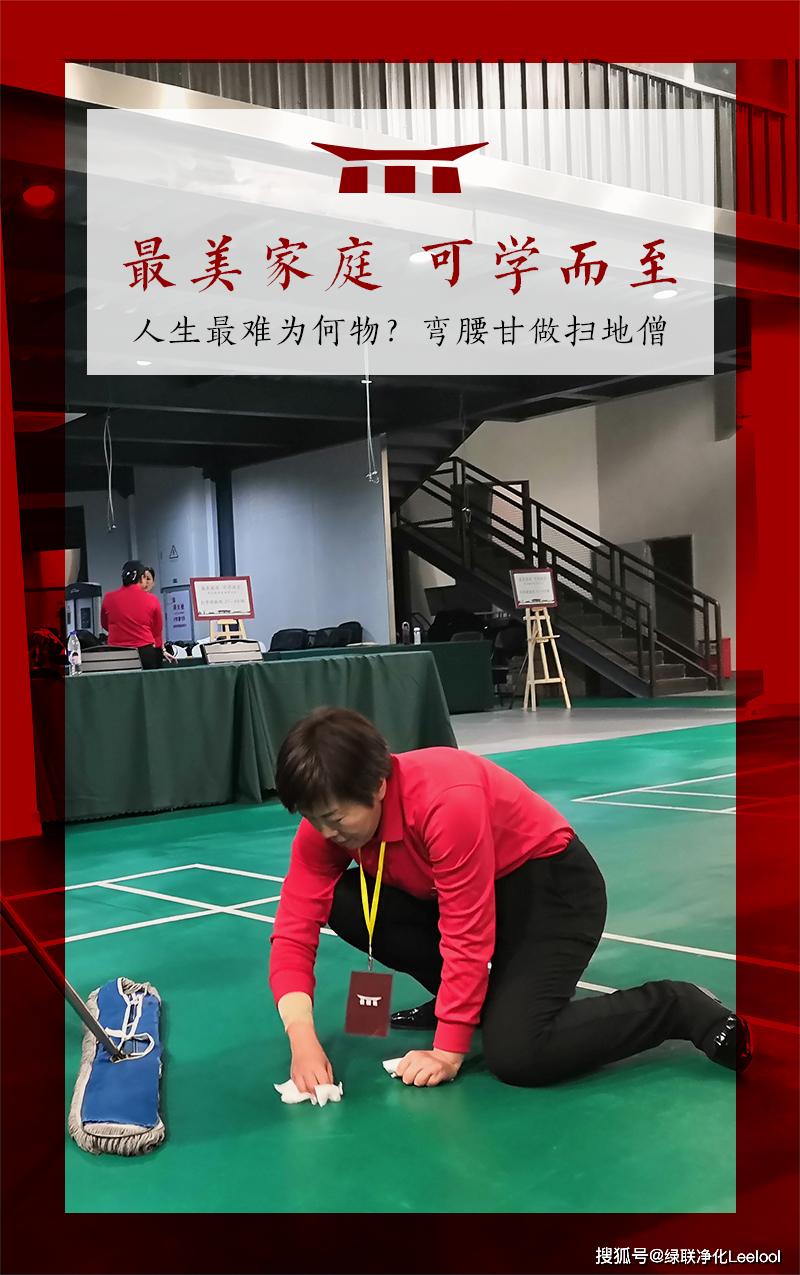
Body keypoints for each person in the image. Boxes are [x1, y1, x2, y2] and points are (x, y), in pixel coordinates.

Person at [270, 707, 751, 1095]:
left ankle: (676, 1005)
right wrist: (302, 1039)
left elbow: (466, 930)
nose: (325, 833)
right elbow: (293, 927)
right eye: (313, 819)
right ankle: (477, 1003)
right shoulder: (326, 828)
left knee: (520, 1054)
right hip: (470, 895)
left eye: (335, 818)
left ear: (377, 785)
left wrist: (447, 1050)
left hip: (551, 891)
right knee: (345, 901)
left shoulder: (445, 801)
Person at [100, 560, 171, 670]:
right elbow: (157, 630)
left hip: (116, 653)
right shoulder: (152, 599)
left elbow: (105, 624)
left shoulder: (108, 598)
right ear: (142, 578)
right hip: (144, 652)